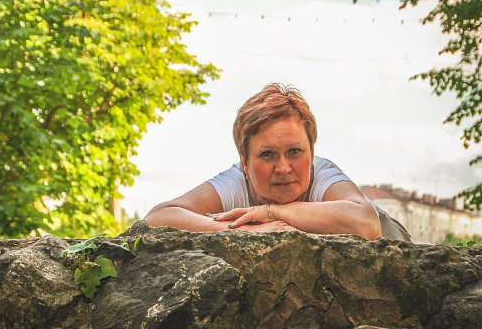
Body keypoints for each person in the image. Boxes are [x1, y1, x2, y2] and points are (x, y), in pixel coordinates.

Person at [144, 83, 411, 241]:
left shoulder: (325, 175)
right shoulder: (235, 182)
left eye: (295, 151)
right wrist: (239, 229)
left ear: (312, 153)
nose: (283, 168)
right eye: (267, 154)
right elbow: (157, 218)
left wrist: (271, 212)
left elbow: (366, 224)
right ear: (244, 163)